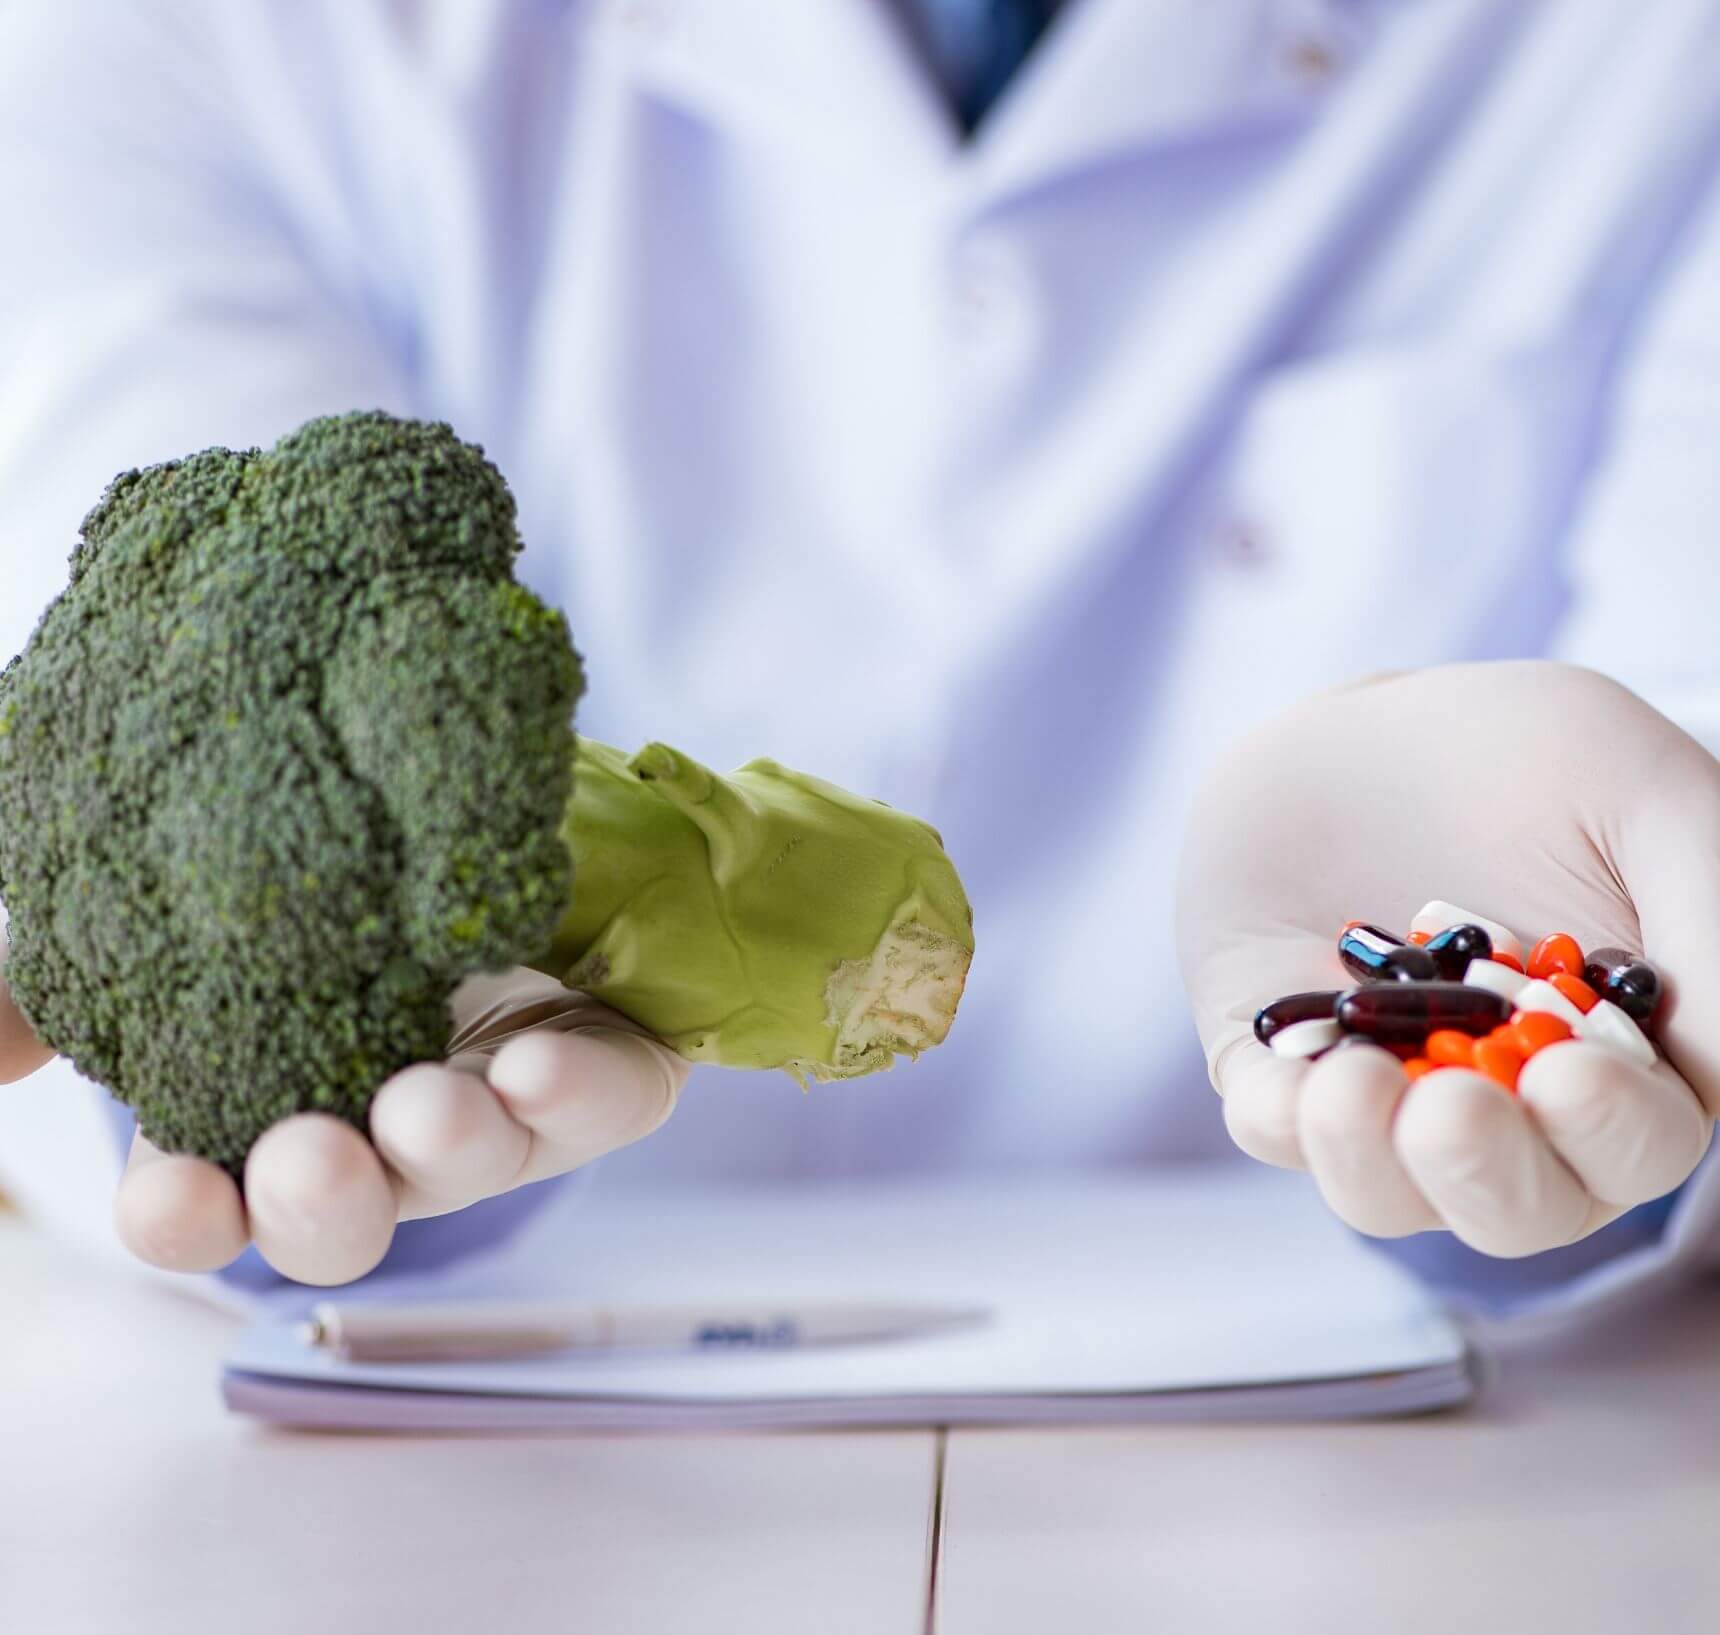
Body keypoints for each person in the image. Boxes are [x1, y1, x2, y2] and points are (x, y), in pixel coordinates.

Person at [2, 0, 1719, 1306]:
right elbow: (158, 637)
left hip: (1428, 1459)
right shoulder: (181, 35)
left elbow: (1679, 770)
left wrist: (1600, 1070)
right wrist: (323, 1033)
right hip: (457, 1476)